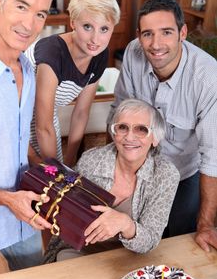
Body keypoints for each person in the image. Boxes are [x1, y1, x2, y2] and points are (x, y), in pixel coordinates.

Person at [107, 0, 217, 252]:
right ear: (138, 35)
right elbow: (119, 111)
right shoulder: (134, 53)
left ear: (183, 32)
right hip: (139, 167)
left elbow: (213, 156)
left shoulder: (208, 77)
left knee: (181, 241)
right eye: (148, 34)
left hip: (184, 172)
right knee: (132, 243)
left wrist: (206, 226)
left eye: (166, 32)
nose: (156, 44)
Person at [44, 99, 180, 262]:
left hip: (131, 257)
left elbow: (150, 240)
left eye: (141, 129)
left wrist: (126, 224)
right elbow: (65, 216)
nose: (130, 137)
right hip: (80, 251)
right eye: (122, 127)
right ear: (113, 132)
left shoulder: (166, 175)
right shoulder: (91, 160)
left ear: (155, 138)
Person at [0, 0, 53, 277]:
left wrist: (50, 172)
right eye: (22, 6)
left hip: (25, 213)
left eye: (40, 14)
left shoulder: (27, 68)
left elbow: (15, 138)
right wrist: (6, 199)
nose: (30, 23)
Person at [26, 0, 120, 167]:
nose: (95, 39)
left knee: (59, 169)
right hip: (13, 114)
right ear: (73, 22)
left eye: (104, 29)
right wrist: (56, 171)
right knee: (32, 173)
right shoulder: (52, 53)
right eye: (87, 26)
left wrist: (70, 164)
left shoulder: (99, 55)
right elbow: (43, 127)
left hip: (46, 114)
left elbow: (81, 112)